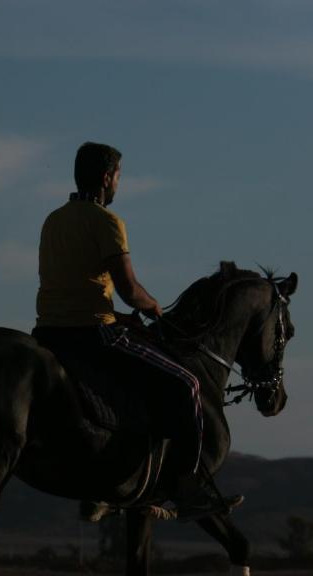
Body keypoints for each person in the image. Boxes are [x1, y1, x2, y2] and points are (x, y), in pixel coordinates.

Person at [32, 141, 229, 521]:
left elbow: (77, 285)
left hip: (49, 332)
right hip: (94, 334)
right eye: (119, 177)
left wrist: (120, 314)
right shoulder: (107, 222)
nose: (119, 184)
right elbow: (129, 289)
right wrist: (153, 307)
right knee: (188, 384)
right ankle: (186, 487)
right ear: (107, 178)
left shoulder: (53, 219)